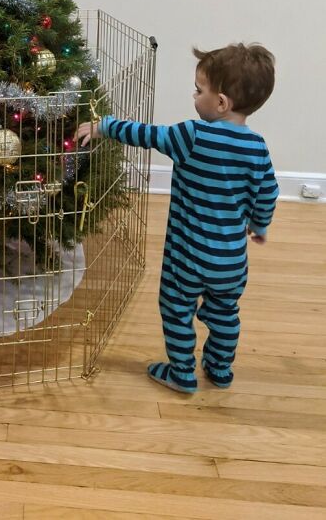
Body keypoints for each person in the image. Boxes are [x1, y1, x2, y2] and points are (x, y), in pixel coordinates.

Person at [76, 43, 278, 393]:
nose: (194, 96)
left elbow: (146, 134)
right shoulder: (257, 148)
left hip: (187, 256)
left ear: (221, 103)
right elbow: (268, 193)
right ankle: (219, 369)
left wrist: (103, 127)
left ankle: (182, 372)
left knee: (176, 308)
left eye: (199, 91)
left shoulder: (192, 136)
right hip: (230, 260)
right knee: (225, 313)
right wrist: (259, 225)